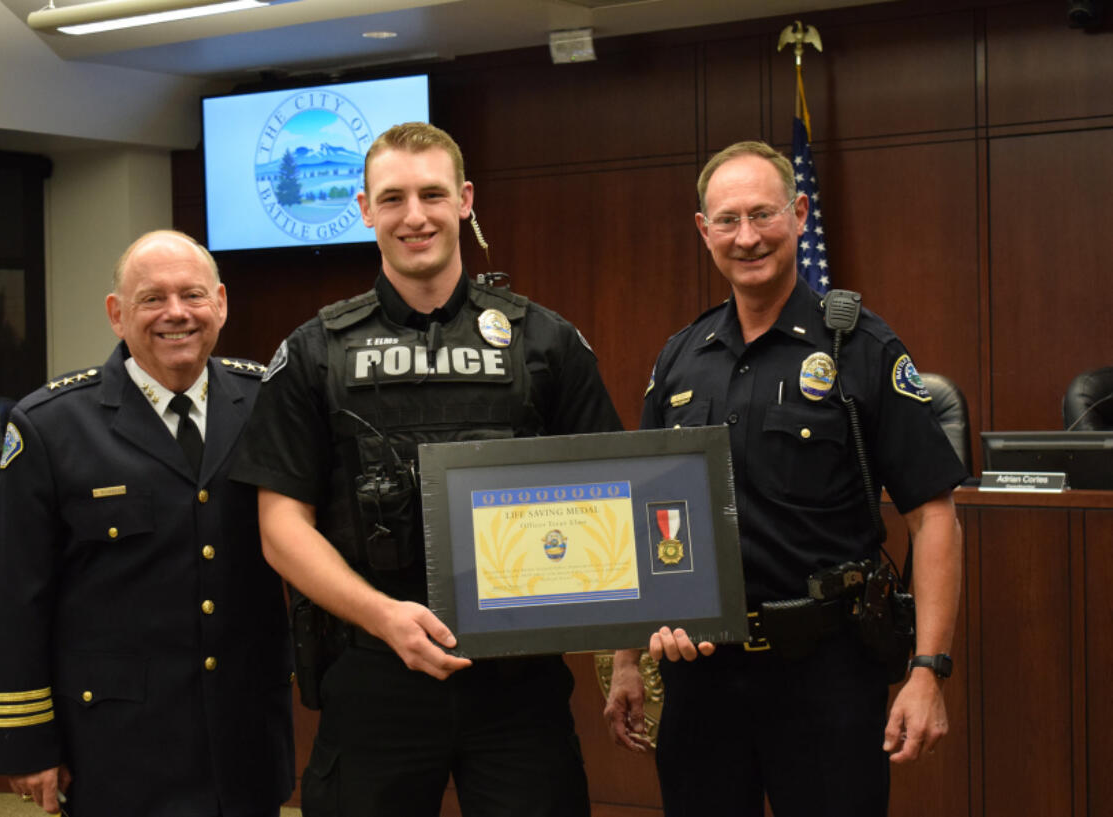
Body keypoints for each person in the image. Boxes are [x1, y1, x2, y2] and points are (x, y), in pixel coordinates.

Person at [231, 121, 622, 817]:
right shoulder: (315, 352)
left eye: (433, 194)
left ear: (465, 200)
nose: (414, 216)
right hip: (374, 668)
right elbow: (280, 525)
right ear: (363, 209)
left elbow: (609, 495)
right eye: (393, 198)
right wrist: (385, 618)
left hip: (517, 682)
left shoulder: (546, 341)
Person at [603, 141, 967, 816]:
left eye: (764, 214)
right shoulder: (680, 358)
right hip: (700, 674)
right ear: (703, 229)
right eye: (728, 219)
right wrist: (628, 656)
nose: (747, 237)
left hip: (825, 672)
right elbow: (644, 514)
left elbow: (933, 515)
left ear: (799, 214)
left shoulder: (862, 349)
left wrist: (928, 670)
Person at [0, 230, 295, 817]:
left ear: (221, 304)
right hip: (117, 745)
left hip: (245, 738)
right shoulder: (51, 426)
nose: (176, 313)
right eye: (152, 299)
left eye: (193, 295)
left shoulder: (267, 403)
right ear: (116, 314)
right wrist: (26, 741)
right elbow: (13, 600)